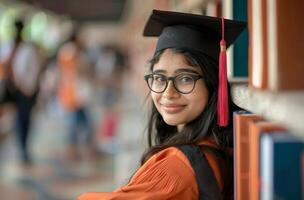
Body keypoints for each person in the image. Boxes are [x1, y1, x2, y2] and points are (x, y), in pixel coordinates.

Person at [78, 9, 246, 200]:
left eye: (185, 78)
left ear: (213, 83)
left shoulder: (176, 167)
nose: (168, 93)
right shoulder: (215, 147)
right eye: (159, 77)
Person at [0, 19, 42, 164]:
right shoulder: (8, 46)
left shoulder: (28, 48)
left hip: (25, 90)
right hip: (10, 89)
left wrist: (29, 88)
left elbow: (34, 70)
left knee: (24, 119)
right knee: (13, 119)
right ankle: (18, 147)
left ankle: (23, 148)